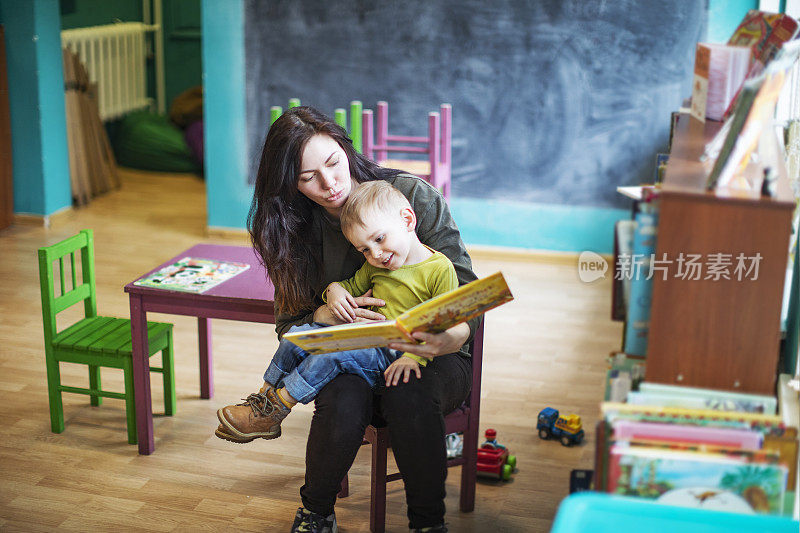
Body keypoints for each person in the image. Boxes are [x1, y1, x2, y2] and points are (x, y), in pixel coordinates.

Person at [217, 106, 480, 533]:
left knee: (407, 392)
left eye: (333, 163)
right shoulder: (292, 228)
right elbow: (292, 325)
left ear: (345, 148)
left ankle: (428, 524)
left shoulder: (408, 197)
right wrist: (328, 302)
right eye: (307, 178)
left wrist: (435, 341)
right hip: (350, 350)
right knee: (341, 395)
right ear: (290, 185)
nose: (329, 184)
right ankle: (315, 514)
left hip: (434, 352)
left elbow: (466, 298)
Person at [215, 180, 459, 441]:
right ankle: (263, 400)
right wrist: (333, 289)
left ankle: (278, 408)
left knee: (329, 356)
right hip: (365, 338)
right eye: (364, 249)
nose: (375, 254)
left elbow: (442, 323)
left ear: (408, 220)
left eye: (379, 239)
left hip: (392, 355)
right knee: (296, 336)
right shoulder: (376, 267)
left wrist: (414, 357)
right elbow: (350, 286)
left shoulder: (439, 269)